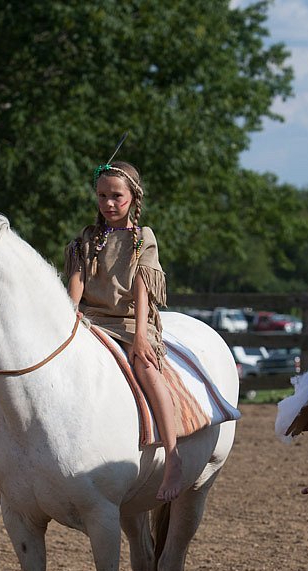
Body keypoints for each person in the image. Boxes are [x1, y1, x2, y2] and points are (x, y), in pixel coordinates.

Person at [65, 159, 184, 502]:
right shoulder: (85, 240)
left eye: (117, 196)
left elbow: (142, 290)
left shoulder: (141, 239)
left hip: (132, 322)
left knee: (146, 367)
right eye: (102, 196)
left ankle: (173, 454)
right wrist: (67, 321)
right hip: (90, 321)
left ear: (134, 197)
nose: (109, 203)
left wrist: (143, 337)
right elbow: (76, 289)